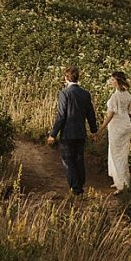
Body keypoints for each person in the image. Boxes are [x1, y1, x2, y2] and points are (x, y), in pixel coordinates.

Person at [46, 65, 97, 195]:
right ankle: (80, 184)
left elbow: (61, 115)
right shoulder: (86, 94)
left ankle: (75, 188)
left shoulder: (64, 93)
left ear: (66, 78)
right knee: (79, 159)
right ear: (77, 78)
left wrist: (53, 134)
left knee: (68, 161)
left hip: (67, 133)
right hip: (80, 132)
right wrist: (93, 131)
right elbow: (90, 114)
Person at [101, 70, 131, 194]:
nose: (111, 82)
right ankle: (121, 181)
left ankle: (121, 185)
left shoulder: (115, 96)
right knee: (122, 153)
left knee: (116, 154)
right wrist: (124, 116)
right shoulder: (128, 95)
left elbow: (110, 115)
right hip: (126, 125)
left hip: (116, 127)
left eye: (113, 80)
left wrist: (101, 128)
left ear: (117, 82)